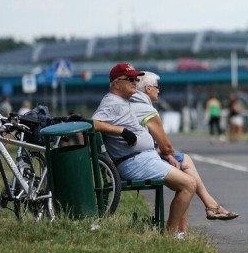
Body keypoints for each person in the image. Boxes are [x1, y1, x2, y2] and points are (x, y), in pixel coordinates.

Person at [92, 63, 196, 237]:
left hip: (143, 158)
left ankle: (180, 231)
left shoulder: (123, 101)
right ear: (116, 83)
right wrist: (121, 131)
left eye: (136, 79)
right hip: (135, 162)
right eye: (130, 79)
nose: (135, 82)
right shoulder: (111, 102)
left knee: (186, 169)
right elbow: (92, 123)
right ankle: (171, 236)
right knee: (188, 184)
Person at [131, 72, 239, 221]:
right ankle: (179, 230)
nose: (159, 90)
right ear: (148, 89)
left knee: (185, 162)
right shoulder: (145, 109)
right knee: (186, 178)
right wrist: (168, 153)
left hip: (138, 157)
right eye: (157, 87)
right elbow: (166, 146)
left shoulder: (134, 104)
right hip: (139, 161)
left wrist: (167, 154)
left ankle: (210, 207)